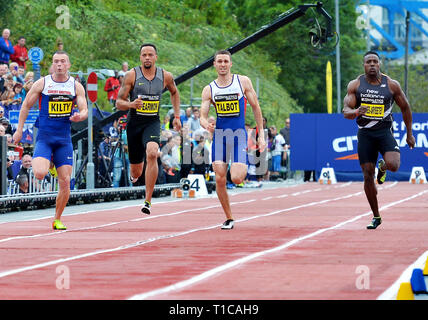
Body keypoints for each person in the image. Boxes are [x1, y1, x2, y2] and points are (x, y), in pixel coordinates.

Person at [13, 51, 88, 230]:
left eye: (63, 61)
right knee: (39, 173)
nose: (59, 64)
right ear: (53, 65)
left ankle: (57, 218)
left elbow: (84, 109)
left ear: (69, 64)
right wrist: (19, 130)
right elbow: (25, 105)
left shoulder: (75, 86)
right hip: (45, 138)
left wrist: (79, 117)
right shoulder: (43, 83)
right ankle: (51, 165)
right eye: (56, 62)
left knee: (66, 181)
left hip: (63, 140)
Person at [343, 51, 415, 230]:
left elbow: (405, 107)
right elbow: (346, 111)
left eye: (375, 61)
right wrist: (357, 112)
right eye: (369, 62)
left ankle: (382, 167)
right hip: (365, 134)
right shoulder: (355, 85)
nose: (372, 64)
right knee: (367, 176)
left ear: (380, 64)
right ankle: (376, 216)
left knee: (394, 165)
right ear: (364, 65)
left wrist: (410, 133)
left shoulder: (391, 85)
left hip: (384, 132)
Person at [200, 50, 266, 230]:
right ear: (214, 64)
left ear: (231, 64)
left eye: (225, 61)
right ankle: (229, 218)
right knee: (220, 179)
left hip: (238, 136)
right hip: (220, 136)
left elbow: (256, 108)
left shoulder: (242, 82)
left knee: (236, 178)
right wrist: (207, 125)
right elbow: (202, 116)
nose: (222, 64)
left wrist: (261, 135)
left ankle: (240, 162)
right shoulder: (209, 89)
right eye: (219, 61)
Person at [116, 43, 181, 215]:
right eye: (144, 55)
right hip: (134, 123)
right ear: (140, 57)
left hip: (152, 121)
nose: (147, 57)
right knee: (136, 170)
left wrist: (177, 116)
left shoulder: (165, 76)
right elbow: (118, 102)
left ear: (155, 57)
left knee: (152, 152)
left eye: (150, 55)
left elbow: (175, 92)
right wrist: (131, 104)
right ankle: (135, 176)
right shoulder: (131, 76)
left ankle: (148, 200)